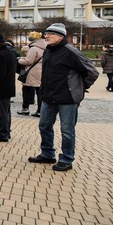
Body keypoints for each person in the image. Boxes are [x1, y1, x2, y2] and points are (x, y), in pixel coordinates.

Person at [28, 23, 98, 172]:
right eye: (45, 33)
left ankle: (66, 159)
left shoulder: (71, 52)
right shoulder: (48, 50)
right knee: (44, 126)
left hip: (67, 99)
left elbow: (92, 72)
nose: (46, 36)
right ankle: (47, 154)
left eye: (50, 34)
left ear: (60, 36)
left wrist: (80, 88)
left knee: (67, 130)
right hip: (48, 97)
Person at [18, 31, 45, 115]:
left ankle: (25, 108)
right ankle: (40, 110)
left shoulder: (33, 48)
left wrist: (19, 60)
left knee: (26, 90)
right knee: (39, 92)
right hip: (41, 71)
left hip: (31, 72)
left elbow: (28, 61)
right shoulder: (45, 47)